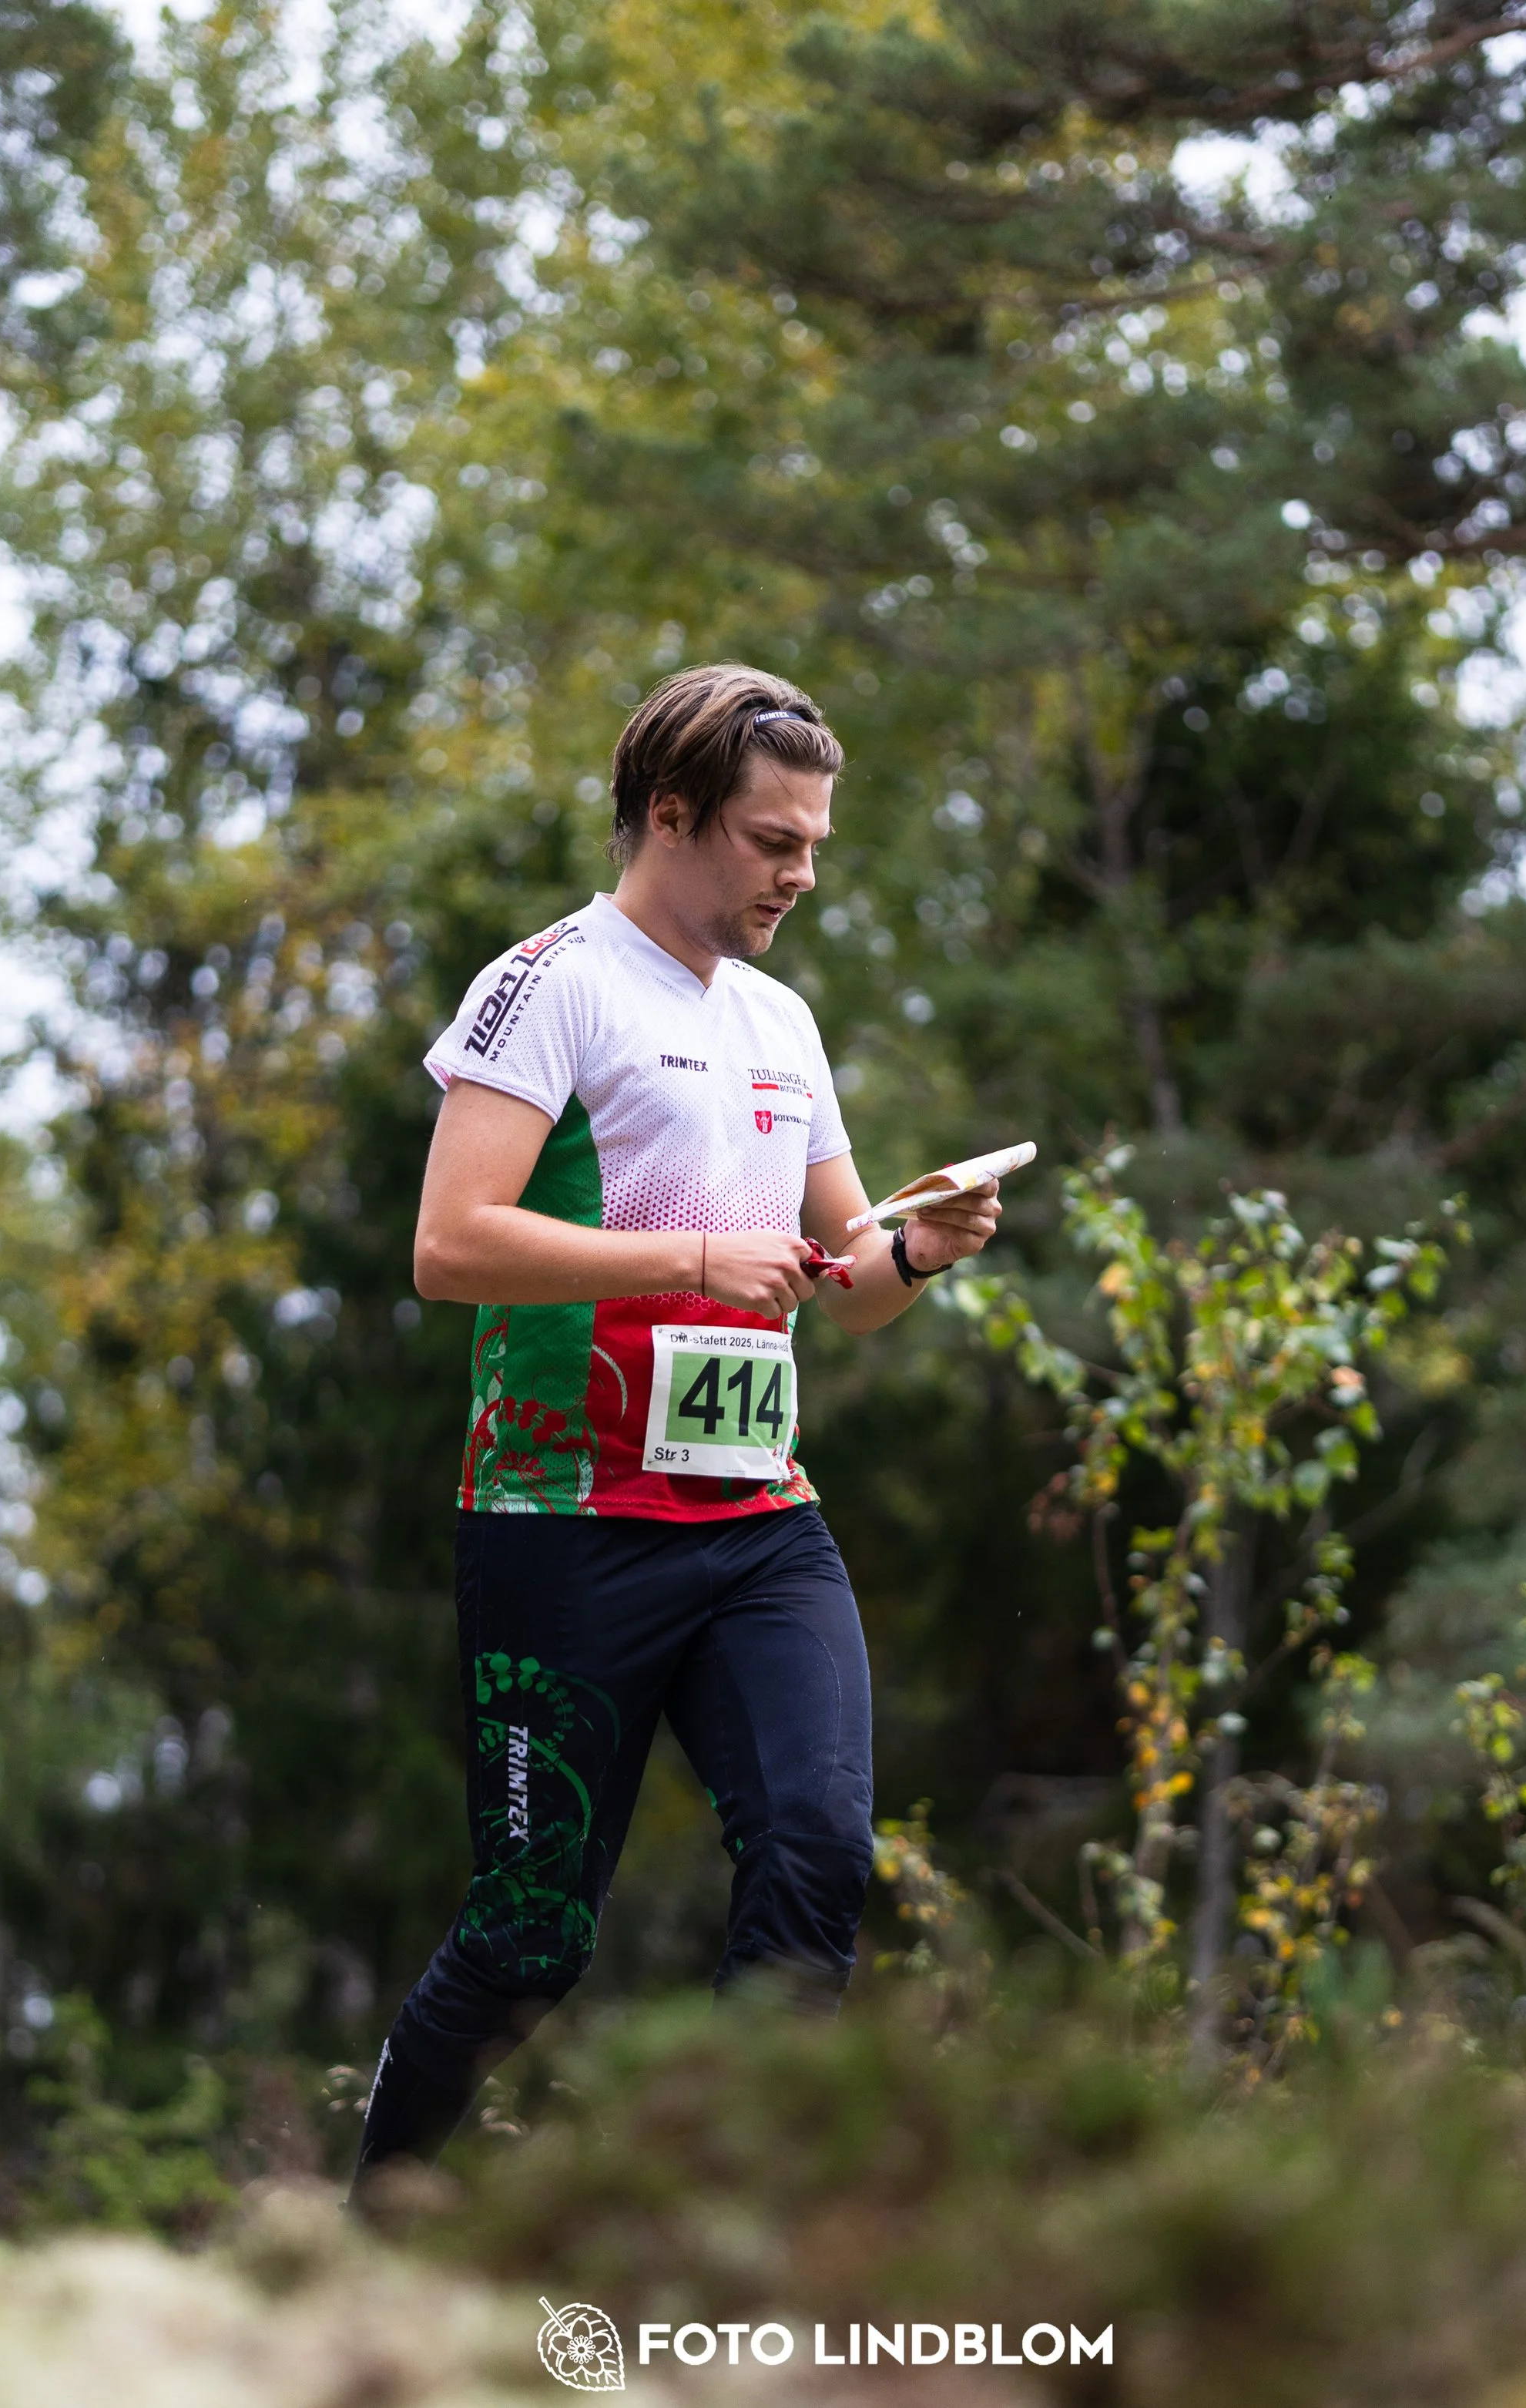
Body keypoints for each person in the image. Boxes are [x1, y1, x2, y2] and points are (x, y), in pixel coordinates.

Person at [350, 662, 1003, 2193]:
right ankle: (356, 2246)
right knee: (530, 1938)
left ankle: (733, 2230)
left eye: (814, 842)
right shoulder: (548, 984)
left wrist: (919, 1244)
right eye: (774, 840)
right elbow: (449, 1243)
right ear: (671, 813)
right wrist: (692, 1258)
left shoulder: (780, 1020)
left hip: (754, 1520)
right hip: (559, 1525)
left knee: (815, 1855)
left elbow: (843, 1285)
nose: (801, 872)